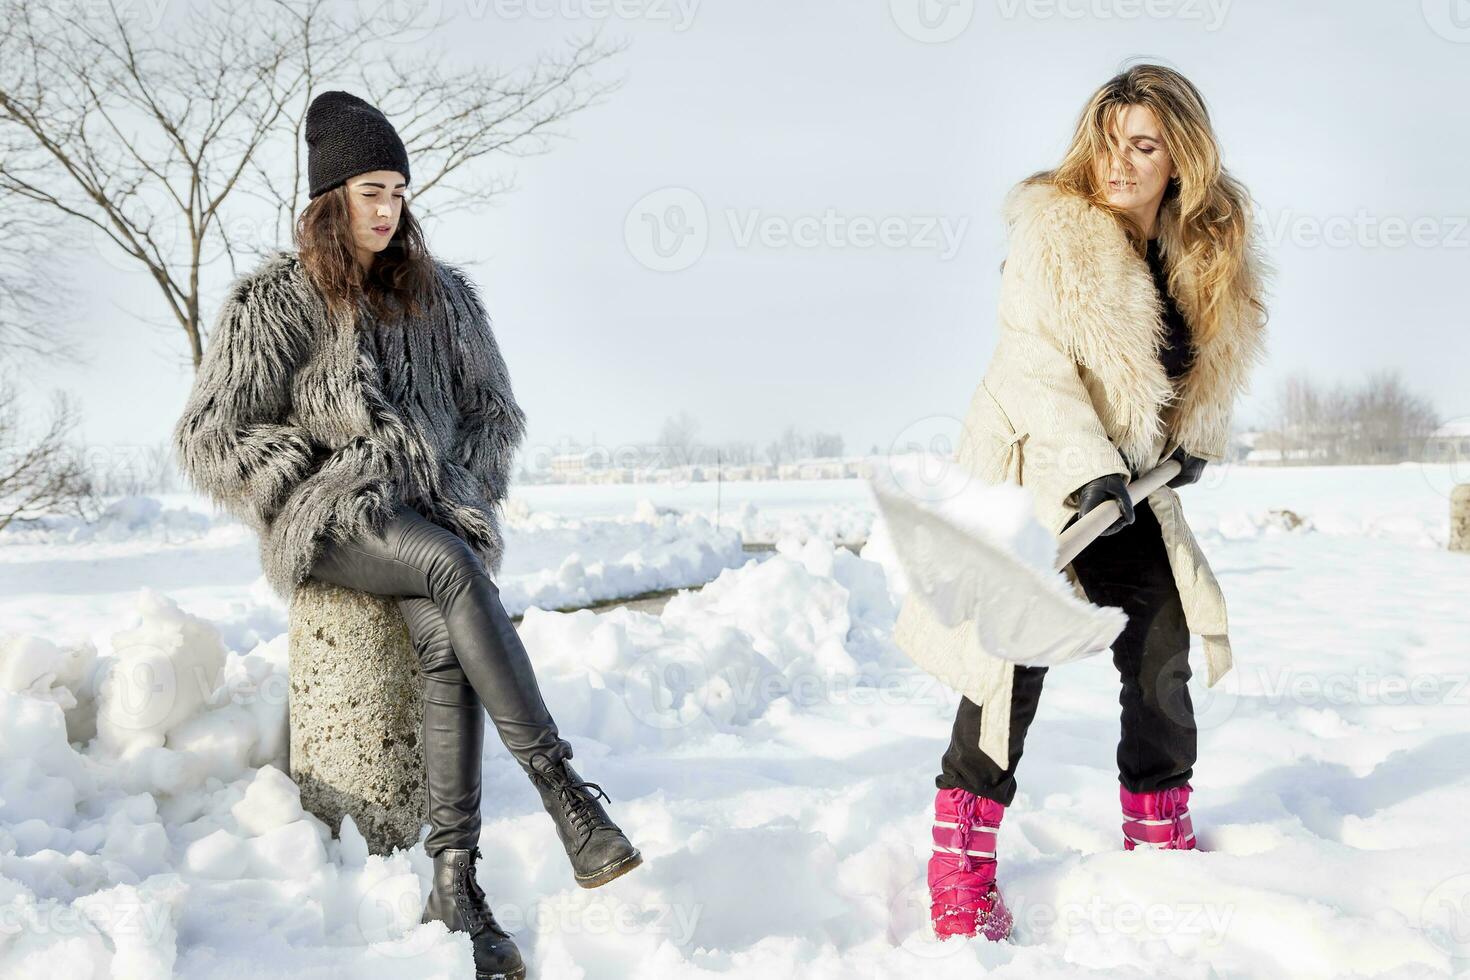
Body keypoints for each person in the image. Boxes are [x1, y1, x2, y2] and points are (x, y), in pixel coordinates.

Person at [171, 90, 641, 980]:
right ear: (329, 199)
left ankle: (454, 883)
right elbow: (210, 433)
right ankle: (564, 793)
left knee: (443, 633)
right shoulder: (276, 302)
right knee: (454, 568)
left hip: (432, 512)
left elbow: (493, 414)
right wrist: (314, 476)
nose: (388, 210)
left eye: (397, 191)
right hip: (337, 520)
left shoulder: (446, 298)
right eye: (370, 192)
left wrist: (456, 482)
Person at [890, 64, 1272, 942]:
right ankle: (960, 863)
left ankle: (1157, 829)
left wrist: (1192, 444)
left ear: (1182, 156)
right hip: (1034, 476)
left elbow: (1202, 376)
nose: (1120, 163)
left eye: (1142, 146)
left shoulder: (1203, 256)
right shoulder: (1052, 238)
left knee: (1162, 644)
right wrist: (1081, 469)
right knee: (1006, 670)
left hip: (1123, 493)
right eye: (1109, 143)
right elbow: (1034, 367)